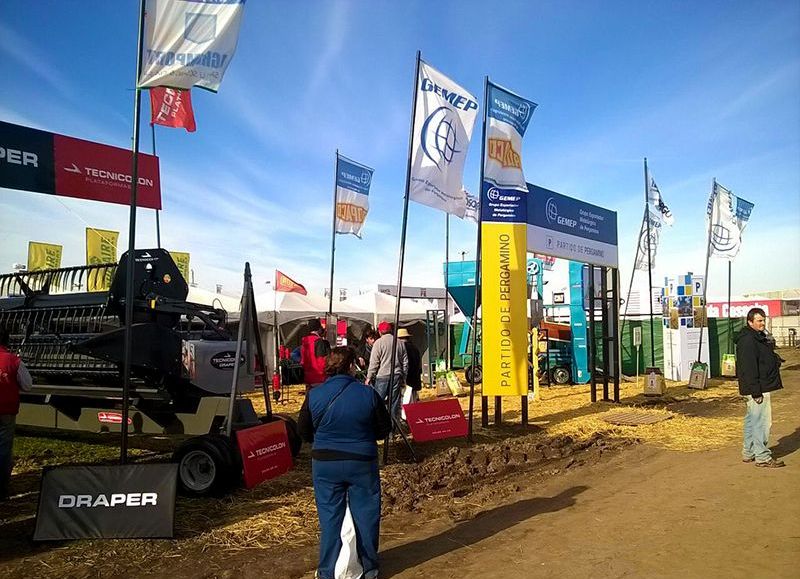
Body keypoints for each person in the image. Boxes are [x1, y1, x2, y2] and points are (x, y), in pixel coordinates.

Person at [298, 347, 391, 579]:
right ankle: (369, 567)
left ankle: (327, 570)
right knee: (366, 514)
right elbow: (384, 429)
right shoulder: (368, 394)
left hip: (325, 463)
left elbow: (303, 432)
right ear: (351, 366)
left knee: (330, 516)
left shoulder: (314, 395)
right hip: (361, 461)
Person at [736, 307, 785, 468]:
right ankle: (762, 457)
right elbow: (748, 367)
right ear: (750, 322)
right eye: (759, 320)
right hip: (757, 388)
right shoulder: (749, 340)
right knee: (762, 422)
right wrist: (756, 391)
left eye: (763, 320)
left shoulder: (756, 337)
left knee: (752, 420)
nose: (762, 323)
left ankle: (749, 452)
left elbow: (761, 357)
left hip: (756, 386)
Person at [0, 326, 33, 500]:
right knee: (4, 449)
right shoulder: (13, 361)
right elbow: (28, 385)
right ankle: (2, 489)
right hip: (6, 411)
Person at [366, 322, 408, 425]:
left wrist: (369, 377)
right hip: (396, 375)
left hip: (383, 376)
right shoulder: (399, 342)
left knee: (378, 402)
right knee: (394, 403)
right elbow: (405, 362)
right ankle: (392, 430)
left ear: (380, 332)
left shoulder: (378, 343)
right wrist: (404, 376)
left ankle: (379, 427)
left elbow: (374, 362)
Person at [301, 319, 329, 389]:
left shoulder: (304, 342)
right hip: (319, 378)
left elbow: (302, 360)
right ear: (319, 328)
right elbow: (321, 361)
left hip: (307, 377)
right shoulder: (319, 342)